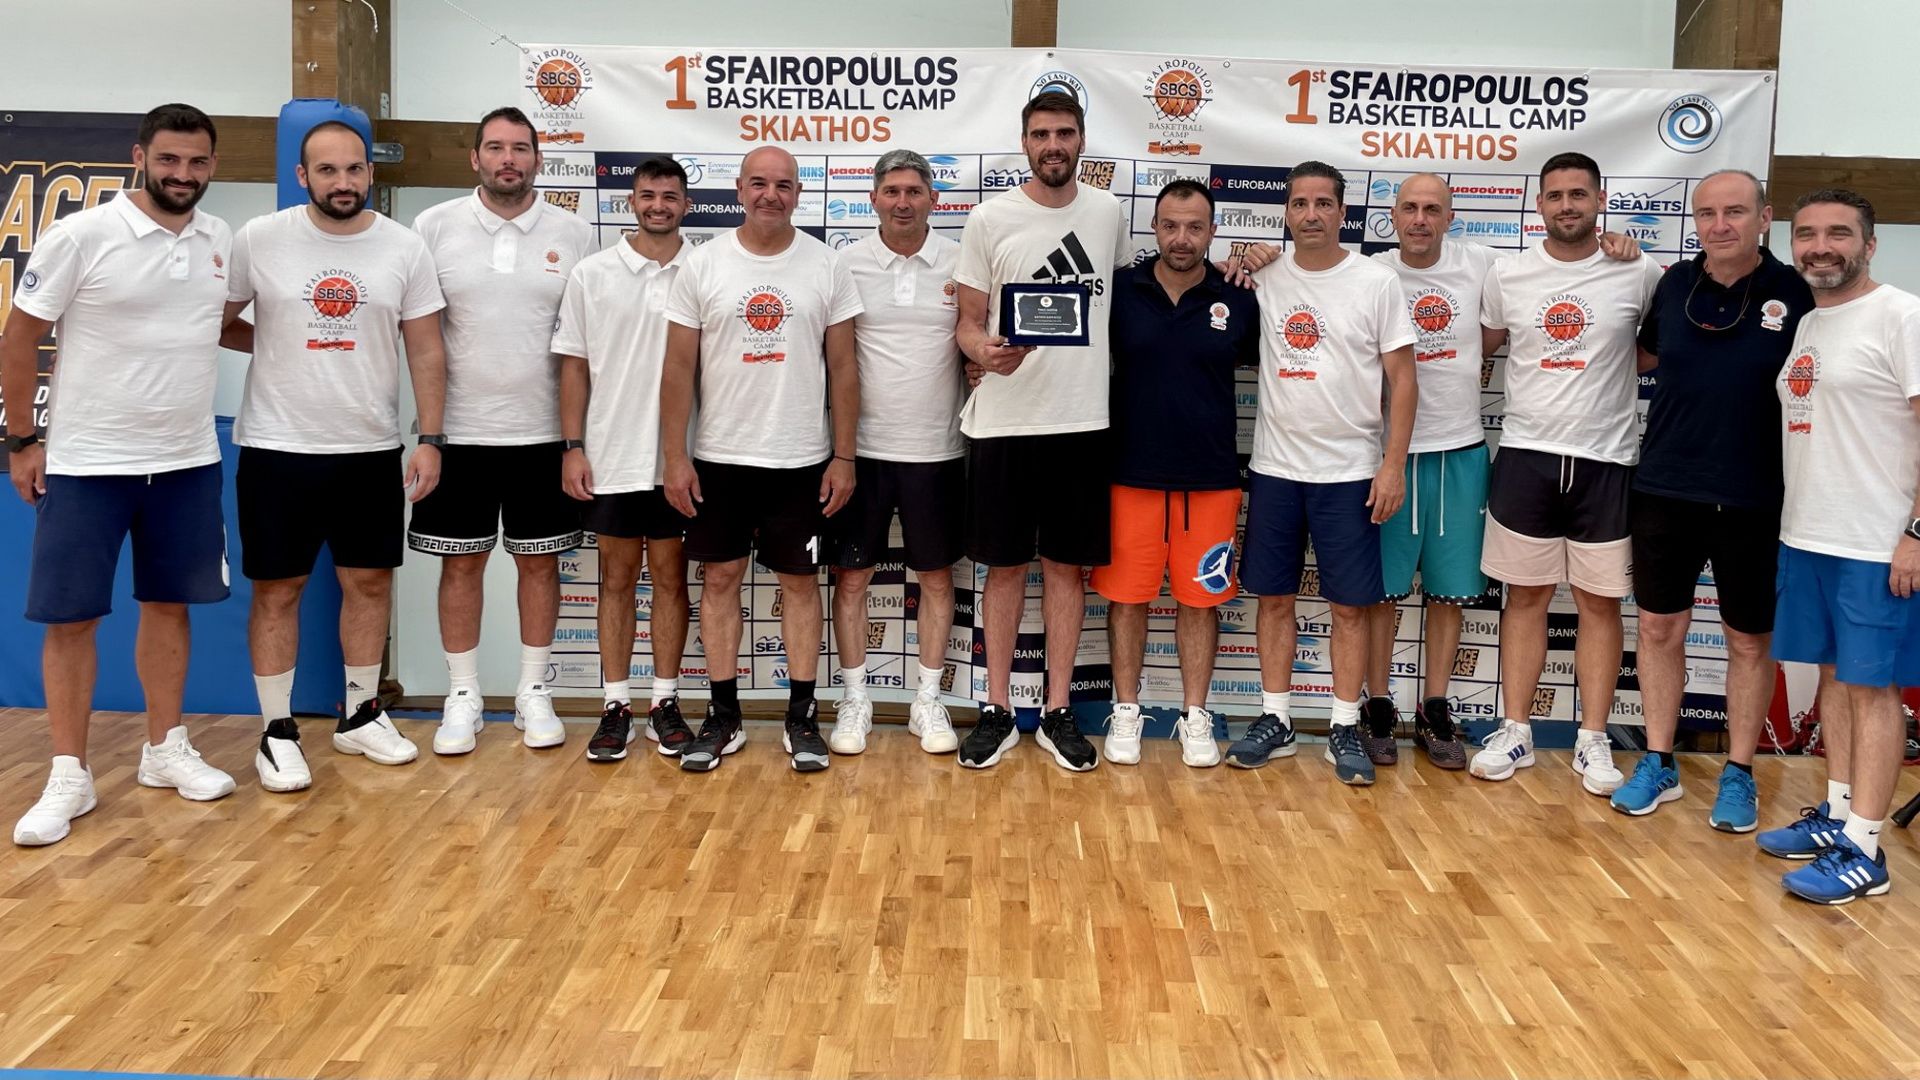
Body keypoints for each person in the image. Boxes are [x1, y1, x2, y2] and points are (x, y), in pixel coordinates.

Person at [5, 104, 238, 846]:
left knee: (170, 607)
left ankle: (164, 749)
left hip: (187, 463)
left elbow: (217, 322)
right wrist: (22, 440)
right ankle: (68, 774)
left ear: (212, 165)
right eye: (168, 159)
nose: (182, 174)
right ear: (140, 157)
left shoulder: (219, 239)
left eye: (196, 162)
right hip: (87, 464)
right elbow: (19, 338)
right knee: (72, 618)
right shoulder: (82, 235)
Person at [221, 120, 449, 792]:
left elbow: (425, 347)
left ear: (369, 173)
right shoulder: (259, 239)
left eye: (354, 169)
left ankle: (360, 715)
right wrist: (277, 342)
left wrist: (431, 438)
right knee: (277, 590)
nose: (343, 182)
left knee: (370, 584)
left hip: (369, 448)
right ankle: (276, 731)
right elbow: (212, 319)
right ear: (302, 176)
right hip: (277, 446)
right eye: (327, 170)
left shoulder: (403, 246)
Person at [1609, 170, 1812, 828]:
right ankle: (1659, 760)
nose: (1720, 225)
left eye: (1735, 212)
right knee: (1659, 629)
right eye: (1707, 214)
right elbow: (1640, 356)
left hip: (1755, 495)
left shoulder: (1797, 292)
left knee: (1748, 642)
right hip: (1665, 486)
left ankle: (1740, 771)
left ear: (1764, 218)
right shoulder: (1674, 284)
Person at [659, 145, 862, 773]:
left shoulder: (826, 265)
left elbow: (844, 368)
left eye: (783, 184)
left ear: (799, 193)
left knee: (799, 586)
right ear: (739, 190)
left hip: (801, 459)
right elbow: (677, 367)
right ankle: (724, 716)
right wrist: (674, 456)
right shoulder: (703, 265)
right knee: (719, 581)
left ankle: (802, 717)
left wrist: (844, 456)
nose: (770, 194)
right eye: (758, 183)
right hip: (719, 458)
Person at [952, 89, 1133, 772]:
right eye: (1040, 134)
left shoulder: (1108, 213)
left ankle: (1058, 711)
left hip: (1082, 422)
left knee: (1065, 571)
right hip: (1004, 422)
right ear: (1025, 143)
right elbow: (967, 322)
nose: (1052, 145)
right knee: (1003, 570)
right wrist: (982, 351)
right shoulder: (989, 218)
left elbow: (1124, 302)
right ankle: (997, 708)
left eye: (1063, 133)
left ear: (1081, 139)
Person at [1470, 152, 1661, 795]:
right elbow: (1479, 347)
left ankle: (1592, 739)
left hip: (1607, 461)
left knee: (1598, 604)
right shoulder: (1509, 274)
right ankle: (1516, 730)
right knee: (1524, 598)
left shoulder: (1640, 271)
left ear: (1600, 199)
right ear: (1539, 204)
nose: (1567, 206)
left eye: (1579, 194)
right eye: (1555, 196)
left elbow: (1652, 353)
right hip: (1526, 455)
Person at [408, 106, 595, 755]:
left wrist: (575, 442)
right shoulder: (433, 227)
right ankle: (462, 695)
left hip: (543, 435)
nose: (507, 159)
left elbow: (582, 347)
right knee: (461, 566)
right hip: (457, 435)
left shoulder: (575, 233)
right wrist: (429, 438)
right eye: (495, 147)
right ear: (475, 158)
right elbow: (420, 338)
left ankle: (532, 691)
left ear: (539, 159)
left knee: (539, 565)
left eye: (519, 148)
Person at [1754, 189, 1920, 905]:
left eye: (1839, 234)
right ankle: (1840, 812)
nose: (1821, 246)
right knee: (1833, 677)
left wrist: (1915, 533)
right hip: (1809, 534)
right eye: (1808, 234)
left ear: (1869, 245)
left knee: (1874, 689)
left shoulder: (1903, 316)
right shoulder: (1812, 322)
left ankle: (1866, 848)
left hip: (1875, 543)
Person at [1226, 161, 1416, 786]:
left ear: (1342, 212)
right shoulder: (1264, 277)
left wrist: (1393, 465)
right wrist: (1243, 260)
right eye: (1299, 203)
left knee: (1350, 607)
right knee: (1274, 598)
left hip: (1351, 472)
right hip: (1276, 468)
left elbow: (1403, 381)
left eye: (1323, 203)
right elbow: (1218, 288)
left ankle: (1342, 725)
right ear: (1286, 212)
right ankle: (1276, 718)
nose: (1311, 214)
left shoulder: (1376, 281)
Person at [1093, 179, 1258, 769]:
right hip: (1129, 475)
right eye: (1170, 225)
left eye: (1194, 227)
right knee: (1126, 600)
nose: (1181, 238)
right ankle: (1127, 710)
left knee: (1200, 602)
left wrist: (1263, 260)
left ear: (1212, 232)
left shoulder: (1238, 295)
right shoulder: (1120, 290)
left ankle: (1195, 715)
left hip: (1210, 479)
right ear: (1154, 228)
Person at [554, 156, 695, 762]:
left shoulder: (705, 269)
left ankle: (664, 702)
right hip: (611, 454)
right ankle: (615, 705)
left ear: (686, 204)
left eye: (669, 196)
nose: (658, 205)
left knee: (670, 580)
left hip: (681, 460)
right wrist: (573, 447)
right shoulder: (591, 273)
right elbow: (574, 367)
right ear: (630, 202)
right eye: (647, 195)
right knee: (614, 581)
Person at [827, 150, 964, 756]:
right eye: (892, 191)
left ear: (933, 198)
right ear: (874, 199)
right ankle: (855, 698)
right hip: (861, 452)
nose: (903, 202)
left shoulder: (962, 261)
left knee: (935, 576)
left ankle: (927, 700)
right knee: (853, 576)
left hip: (939, 450)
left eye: (914, 191)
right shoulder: (845, 263)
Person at [1362, 173, 1496, 771]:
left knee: (1450, 594)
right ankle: (1378, 705)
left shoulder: (1482, 265)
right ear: (1393, 215)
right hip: (1389, 456)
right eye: (1410, 208)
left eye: (1432, 209)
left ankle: (1435, 707)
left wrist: (1615, 244)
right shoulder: (1370, 272)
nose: (1420, 219)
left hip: (1461, 451)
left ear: (1450, 217)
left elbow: (1549, 277)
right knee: (1380, 595)